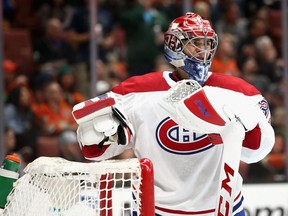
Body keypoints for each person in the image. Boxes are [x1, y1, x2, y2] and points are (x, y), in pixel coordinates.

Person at [72, 13, 275, 215]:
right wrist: (109, 135)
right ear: (174, 45)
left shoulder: (240, 93)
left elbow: (257, 151)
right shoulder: (135, 93)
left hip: (224, 208)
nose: (203, 50)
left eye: (206, 44)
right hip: (155, 209)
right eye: (195, 43)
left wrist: (246, 128)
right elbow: (92, 147)